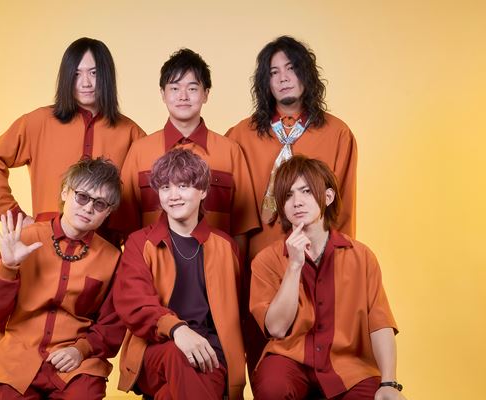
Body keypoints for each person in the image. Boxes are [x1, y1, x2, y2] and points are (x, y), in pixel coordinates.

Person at [225, 35, 358, 374]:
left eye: (291, 68)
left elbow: (343, 211)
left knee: (318, 364)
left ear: (306, 73)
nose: (283, 78)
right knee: (265, 369)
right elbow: (229, 213)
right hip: (259, 266)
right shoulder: (239, 136)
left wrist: (339, 270)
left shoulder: (338, 134)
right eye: (274, 72)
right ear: (265, 82)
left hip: (317, 265)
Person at [250, 155, 405, 400]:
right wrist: (294, 266)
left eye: (306, 191)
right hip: (289, 359)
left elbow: (380, 324)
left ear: (328, 196)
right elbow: (277, 328)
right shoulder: (266, 260)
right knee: (273, 386)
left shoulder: (362, 256)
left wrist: (389, 382)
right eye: (288, 195)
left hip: (350, 367)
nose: (297, 202)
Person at [0, 158, 125, 399]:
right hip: (16, 360)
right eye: (82, 197)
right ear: (65, 192)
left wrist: (81, 350)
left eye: (100, 204)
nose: (89, 208)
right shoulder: (24, 238)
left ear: (108, 211)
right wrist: (8, 267)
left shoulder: (113, 258)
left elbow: (113, 324)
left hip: (76, 365)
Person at [113, 149, 246, 399]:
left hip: (210, 353)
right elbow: (134, 303)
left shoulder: (226, 247)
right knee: (177, 355)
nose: (173, 196)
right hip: (156, 350)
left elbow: (236, 312)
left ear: (203, 190)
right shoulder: (140, 242)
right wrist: (177, 330)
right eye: (165, 187)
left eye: (183, 186)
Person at [0, 37, 145, 226]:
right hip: (45, 237)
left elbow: (151, 193)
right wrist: (15, 216)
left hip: (107, 241)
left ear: (107, 76)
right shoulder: (38, 122)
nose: (86, 83)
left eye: (94, 73)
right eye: (76, 74)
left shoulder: (131, 133)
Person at [112, 48, 258, 253]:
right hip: (152, 267)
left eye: (192, 88)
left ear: (206, 94)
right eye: (174, 88)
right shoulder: (139, 151)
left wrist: (233, 269)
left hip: (215, 266)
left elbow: (242, 228)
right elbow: (126, 225)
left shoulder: (231, 151)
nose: (183, 96)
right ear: (162, 94)